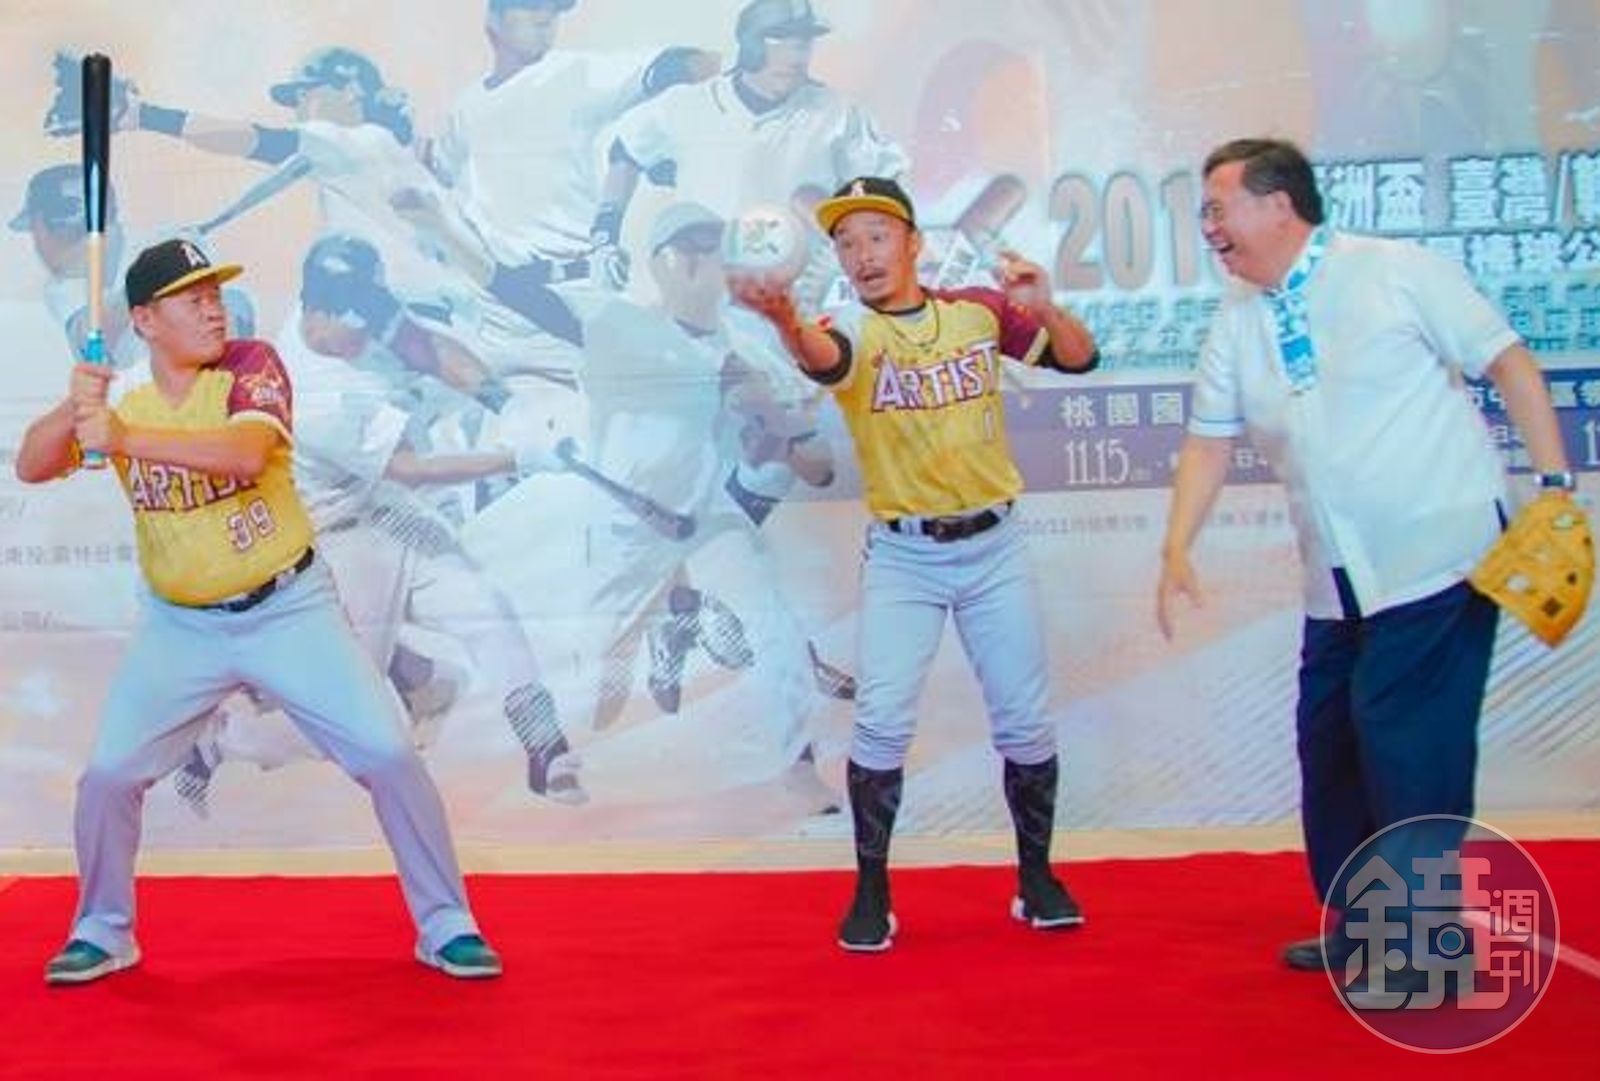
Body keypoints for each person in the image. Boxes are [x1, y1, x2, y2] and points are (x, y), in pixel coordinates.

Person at [15, 238, 501, 984]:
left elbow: (245, 455)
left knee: (389, 754)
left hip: (288, 610)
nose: (213, 309)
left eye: (215, 293)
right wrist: (75, 403)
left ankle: (447, 923)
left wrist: (124, 435)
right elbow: (32, 464)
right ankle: (102, 929)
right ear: (144, 320)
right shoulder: (123, 393)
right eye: (192, 299)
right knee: (108, 777)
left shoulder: (251, 363)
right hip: (180, 627)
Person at [1154, 138, 1576, 981]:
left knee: (1408, 748)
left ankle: (1423, 950)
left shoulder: (1392, 270)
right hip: (1336, 579)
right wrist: (1175, 545)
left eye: (1218, 208)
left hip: (1438, 557)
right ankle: (1364, 927)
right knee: (1333, 748)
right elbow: (1208, 441)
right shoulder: (1238, 313)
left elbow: (1508, 359)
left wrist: (1555, 486)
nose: (1208, 228)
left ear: (1279, 205)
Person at [730, 176, 1100, 951]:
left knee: (1024, 717)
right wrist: (785, 318)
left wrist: (1045, 305)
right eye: (846, 242)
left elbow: (1080, 359)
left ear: (913, 243)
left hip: (995, 548)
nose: (863, 253)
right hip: (906, 556)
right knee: (881, 722)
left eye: (877, 235)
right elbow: (821, 357)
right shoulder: (850, 331)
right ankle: (872, 891)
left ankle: (1037, 879)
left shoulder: (976, 311)